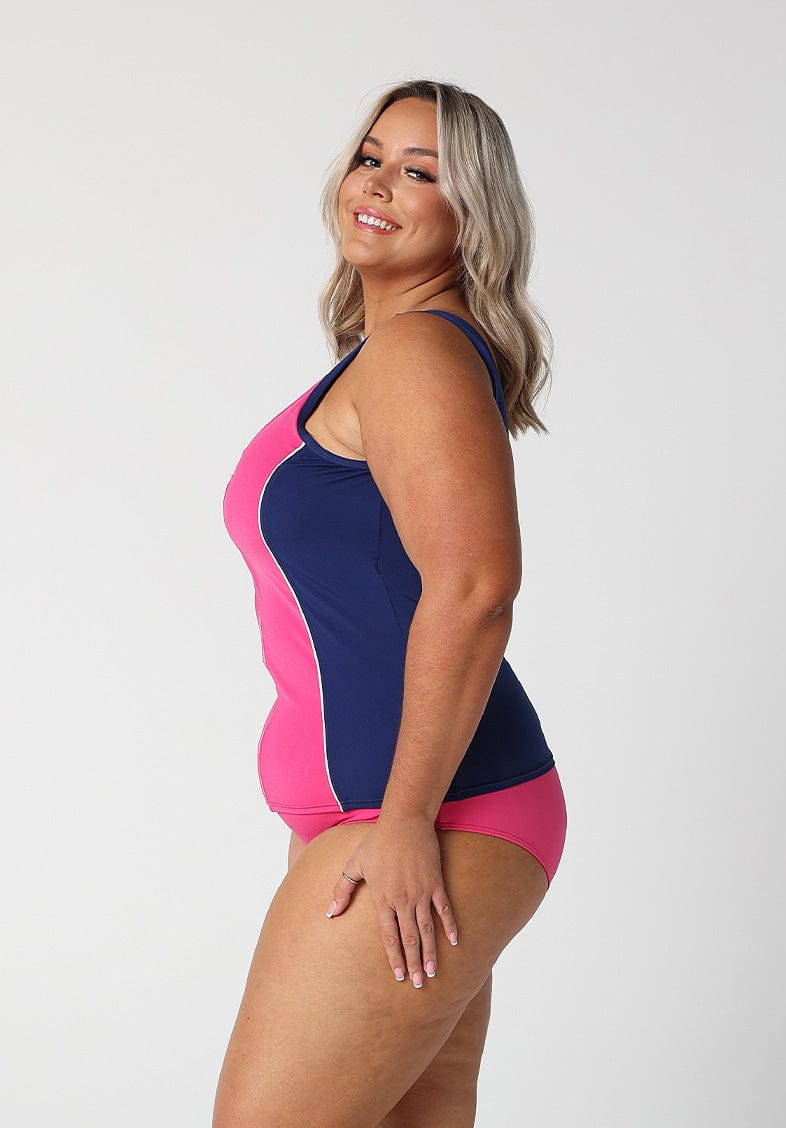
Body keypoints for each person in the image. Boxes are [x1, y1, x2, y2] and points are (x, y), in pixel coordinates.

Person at [213, 79, 567, 1128]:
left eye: (423, 171)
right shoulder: (386, 358)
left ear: (474, 218)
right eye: (373, 155)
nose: (380, 182)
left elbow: (476, 587)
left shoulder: (418, 353)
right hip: (386, 819)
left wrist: (406, 818)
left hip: (428, 817)